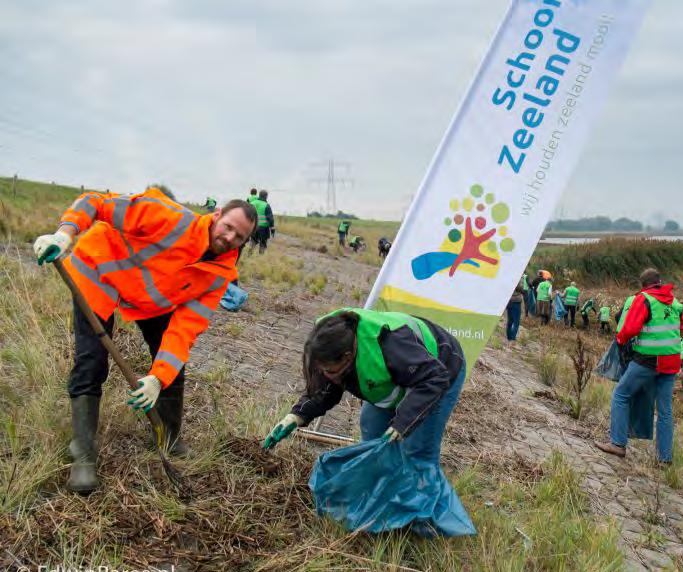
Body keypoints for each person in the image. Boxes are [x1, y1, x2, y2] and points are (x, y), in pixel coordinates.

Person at [32, 189, 256, 492]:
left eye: (239, 236)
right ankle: (82, 454)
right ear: (216, 216)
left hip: (148, 299)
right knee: (92, 362)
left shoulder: (220, 275)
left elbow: (184, 331)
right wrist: (64, 234)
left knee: (172, 364)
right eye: (228, 227)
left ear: (245, 242)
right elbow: (96, 203)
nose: (230, 237)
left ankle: (169, 438)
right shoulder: (168, 218)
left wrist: (157, 379)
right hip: (98, 273)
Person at [262, 307, 465, 468]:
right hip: (397, 375)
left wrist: (402, 423)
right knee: (372, 429)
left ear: (348, 358)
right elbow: (325, 388)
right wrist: (297, 415)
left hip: (439, 368)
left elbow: (434, 378)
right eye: (320, 369)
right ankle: (378, 492)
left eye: (329, 370)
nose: (324, 374)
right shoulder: (325, 340)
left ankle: (421, 513)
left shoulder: (389, 344)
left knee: (418, 450)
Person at [596, 268, 683, 463]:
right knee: (665, 410)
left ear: (642, 285)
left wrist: (620, 341)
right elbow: (680, 327)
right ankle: (664, 458)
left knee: (621, 394)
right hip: (672, 361)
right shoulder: (675, 302)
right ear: (659, 281)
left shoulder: (644, 299)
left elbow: (630, 328)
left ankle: (617, 444)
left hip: (648, 360)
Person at [248, 189, 275, 254]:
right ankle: (261, 257)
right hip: (263, 228)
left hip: (253, 227)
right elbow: (270, 218)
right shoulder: (266, 205)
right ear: (266, 196)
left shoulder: (252, 203)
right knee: (263, 243)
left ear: (259, 195)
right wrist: (272, 229)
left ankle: (249, 255)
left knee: (253, 242)